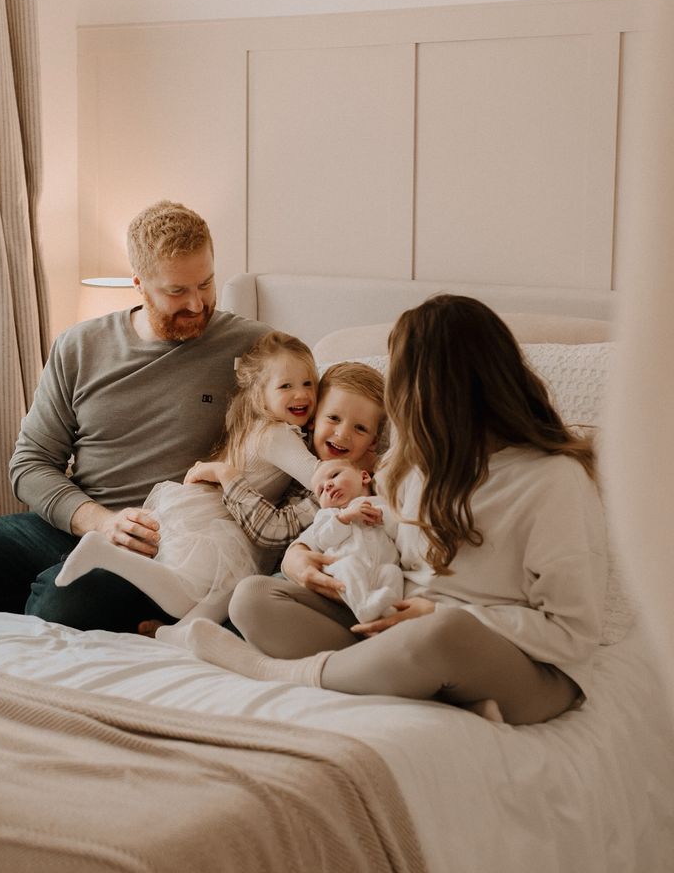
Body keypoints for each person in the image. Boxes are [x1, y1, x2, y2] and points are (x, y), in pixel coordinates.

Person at [181, 294, 609, 726]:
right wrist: (299, 555)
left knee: (444, 634)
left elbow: (572, 633)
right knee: (254, 598)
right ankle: (413, 683)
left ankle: (295, 674)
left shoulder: (553, 479)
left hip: (524, 666)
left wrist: (439, 614)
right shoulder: (412, 463)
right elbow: (370, 522)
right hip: (398, 625)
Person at [0, 200, 270, 632]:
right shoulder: (80, 346)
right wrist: (98, 519)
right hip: (69, 524)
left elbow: (322, 421)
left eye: (206, 283)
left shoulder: (256, 351)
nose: (197, 303)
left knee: (58, 614)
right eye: (176, 291)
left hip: (158, 547)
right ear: (138, 283)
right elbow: (29, 464)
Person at [54, 331, 320, 628]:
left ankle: (176, 635)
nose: (301, 394)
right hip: (222, 523)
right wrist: (359, 479)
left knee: (221, 596)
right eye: (286, 386)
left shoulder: (258, 426)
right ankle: (104, 555)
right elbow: (318, 477)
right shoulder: (279, 435)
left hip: (212, 515)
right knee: (185, 596)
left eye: (308, 383)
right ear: (260, 394)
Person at [139, 360, 388, 641]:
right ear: (314, 419)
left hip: (330, 581)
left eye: (360, 429)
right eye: (333, 419)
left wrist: (226, 475)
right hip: (284, 575)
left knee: (245, 603)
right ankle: (184, 631)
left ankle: (194, 635)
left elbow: (271, 531)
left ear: (373, 443)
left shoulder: (338, 490)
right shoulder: (298, 459)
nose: (342, 434)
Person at [304, 459, 403, 623]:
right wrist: (344, 517)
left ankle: (390, 612)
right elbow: (323, 540)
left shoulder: (381, 503)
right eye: (320, 491)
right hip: (345, 574)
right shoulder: (328, 515)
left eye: (334, 475)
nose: (327, 486)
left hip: (378, 572)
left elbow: (401, 531)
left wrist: (382, 517)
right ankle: (363, 606)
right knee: (348, 564)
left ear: (364, 477)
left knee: (392, 572)